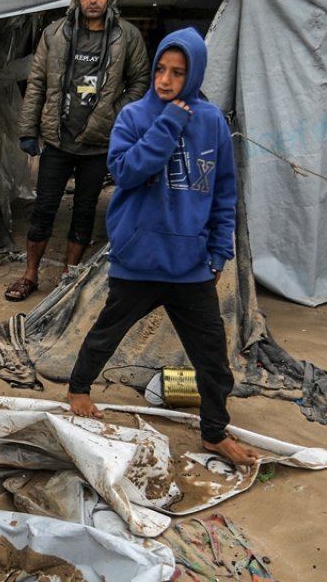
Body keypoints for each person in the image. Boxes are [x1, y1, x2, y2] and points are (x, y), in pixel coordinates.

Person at [66, 27, 257, 467]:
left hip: (190, 265)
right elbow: (126, 172)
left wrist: (217, 252)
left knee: (212, 357)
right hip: (138, 260)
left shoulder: (211, 123)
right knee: (105, 335)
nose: (166, 80)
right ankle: (78, 389)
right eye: (162, 70)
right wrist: (169, 122)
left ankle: (213, 432)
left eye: (178, 73)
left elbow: (224, 192)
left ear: (194, 76)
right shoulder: (135, 116)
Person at [5, 0, 150, 302]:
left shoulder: (127, 36)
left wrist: (114, 114)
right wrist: (29, 129)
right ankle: (30, 275)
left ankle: (70, 278)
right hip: (57, 139)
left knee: (85, 211)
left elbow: (140, 81)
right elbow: (37, 82)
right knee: (44, 209)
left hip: (98, 143)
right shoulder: (55, 34)